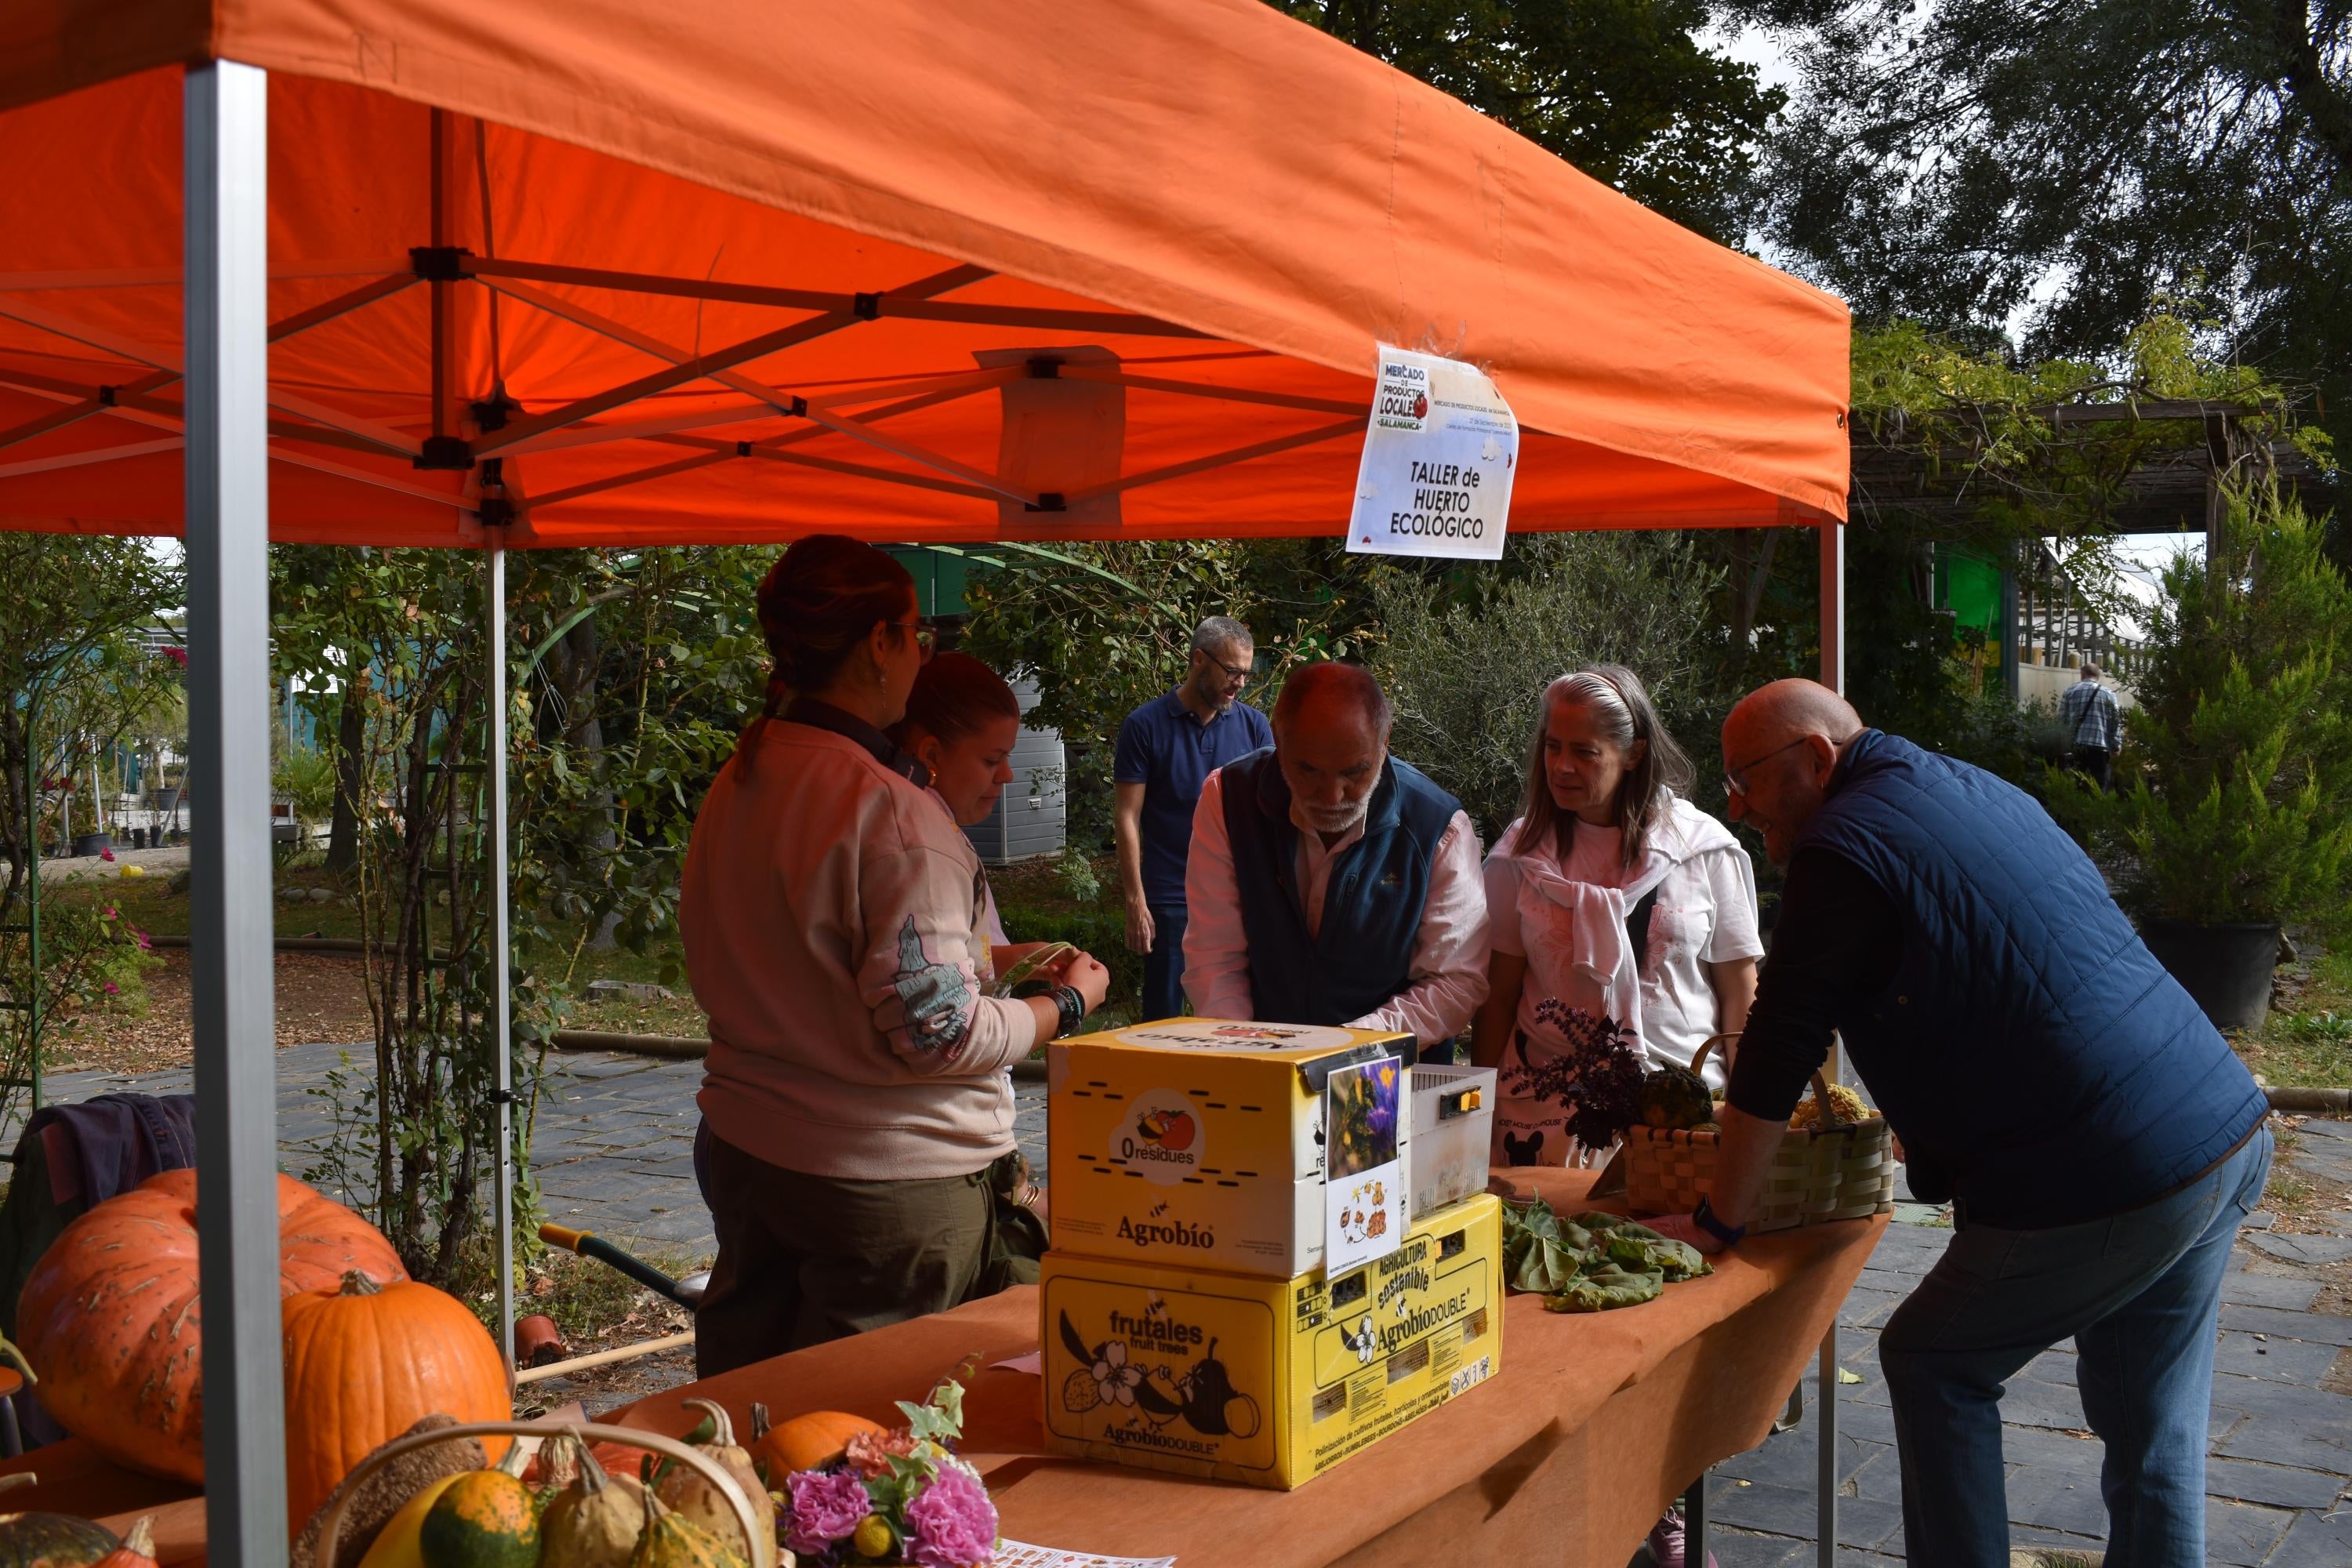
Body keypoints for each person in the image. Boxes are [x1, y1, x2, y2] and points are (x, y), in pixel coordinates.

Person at [1665, 679, 2270, 1568]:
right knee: (2154, 1435)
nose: (1736, 803)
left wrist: (1720, 1216)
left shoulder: (1842, 841)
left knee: (1932, 1361)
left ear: (1818, 758)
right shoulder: (1966, 785)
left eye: (1746, 778)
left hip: (2115, 1169)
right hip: (2220, 1128)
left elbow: (1779, 1042)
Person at [680, 536, 1111, 1374]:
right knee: (859, 1453)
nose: (924, 651)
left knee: (746, 1416)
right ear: (879, 643)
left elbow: (793, 960)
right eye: (919, 634)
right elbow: (940, 1033)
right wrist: (1067, 1006)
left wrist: (986, 958)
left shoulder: (744, 776)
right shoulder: (893, 812)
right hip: (878, 1186)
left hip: (750, 1151)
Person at [1472, 667, 1762, 1167]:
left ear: (1634, 753)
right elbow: (1498, 996)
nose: (1561, 766)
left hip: (1685, 1116)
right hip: (1544, 1121)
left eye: (1584, 752)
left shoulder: (1704, 849)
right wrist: (1475, 1117)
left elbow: (1739, 988)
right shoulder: (1518, 859)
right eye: (1553, 746)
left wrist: (1750, 1113)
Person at [1182, 662, 1488, 1051]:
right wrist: (1250, 1054)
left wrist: (1350, 1048)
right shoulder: (1227, 799)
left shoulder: (1438, 828)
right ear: (1278, 737)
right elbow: (1215, 958)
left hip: (1392, 1079)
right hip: (1261, 1068)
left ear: (1385, 740)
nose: (1332, 796)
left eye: (1354, 772)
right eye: (1308, 770)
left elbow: (1457, 980)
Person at [1113, 617, 1272, 1019]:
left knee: (1240, 1013)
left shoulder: (1255, 727)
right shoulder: (1144, 726)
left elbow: (1270, 815)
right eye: (1232, 671)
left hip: (1237, 895)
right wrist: (1136, 900)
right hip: (1169, 895)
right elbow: (1127, 816)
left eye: (1246, 674)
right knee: (1162, 1017)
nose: (1239, 683)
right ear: (1199, 660)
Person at [2058, 661, 2121, 790]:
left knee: (2075, 785)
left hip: (2077, 746)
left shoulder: (2070, 691)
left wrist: (2062, 743)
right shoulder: (2109, 694)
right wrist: (2116, 744)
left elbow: (2062, 720)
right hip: (2100, 748)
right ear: (2098, 676)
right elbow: (2115, 721)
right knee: (2098, 787)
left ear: (2082, 674)